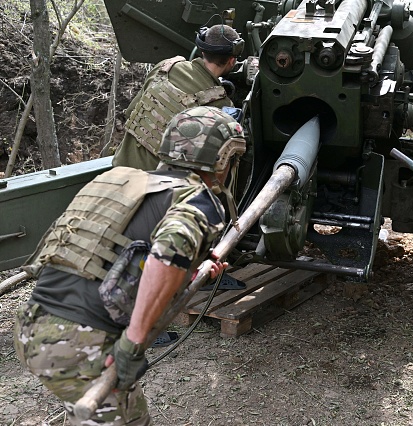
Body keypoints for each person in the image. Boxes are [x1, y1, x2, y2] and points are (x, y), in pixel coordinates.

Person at [13, 106, 247, 425]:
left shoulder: (125, 180)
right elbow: (165, 255)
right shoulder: (195, 200)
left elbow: (120, 252)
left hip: (33, 325)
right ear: (222, 160)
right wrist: (133, 344)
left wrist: (189, 267)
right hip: (80, 346)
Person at [112, 23, 244, 171]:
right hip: (157, 189)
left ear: (202, 50)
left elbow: (131, 112)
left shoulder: (166, 67)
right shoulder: (220, 104)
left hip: (120, 170)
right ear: (232, 60)